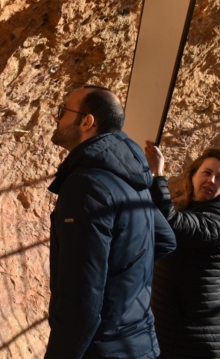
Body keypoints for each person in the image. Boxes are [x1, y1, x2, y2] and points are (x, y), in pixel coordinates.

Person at [45, 85, 176, 359]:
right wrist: (123, 284)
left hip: (104, 348)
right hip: (140, 341)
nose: (56, 118)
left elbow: (81, 298)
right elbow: (164, 239)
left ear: (86, 121)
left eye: (62, 111)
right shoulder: (130, 174)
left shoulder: (86, 185)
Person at [144, 141, 220, 359]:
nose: (211, 180)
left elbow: (173, 226)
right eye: (207, 172)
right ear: (193, 175)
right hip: (176, 323)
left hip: (194, 333)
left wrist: (157, 174)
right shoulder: (192, 208)